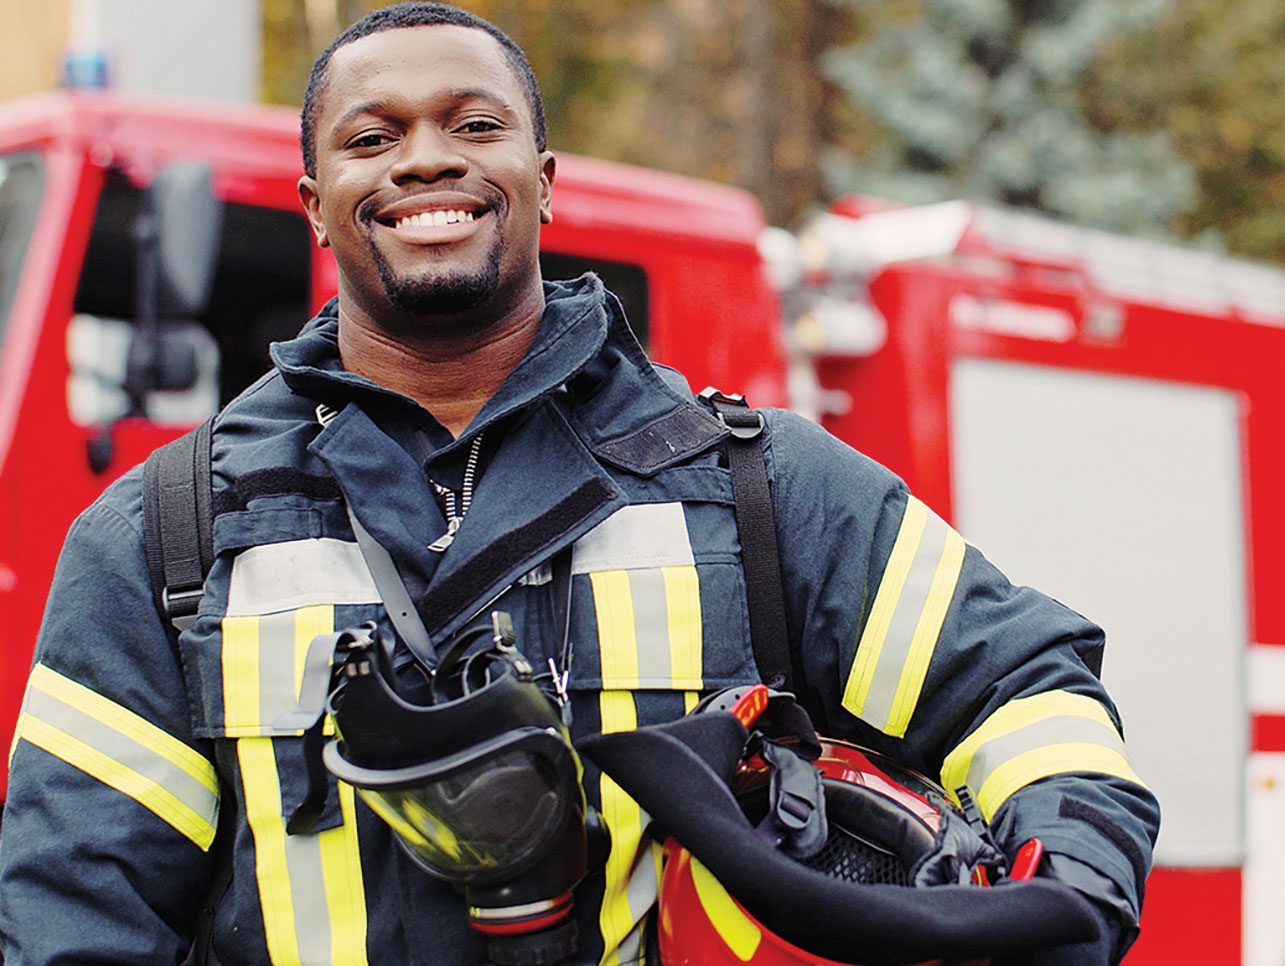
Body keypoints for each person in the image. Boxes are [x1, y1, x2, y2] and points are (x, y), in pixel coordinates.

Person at [0, 3, 1159, 964]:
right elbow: (72, 905)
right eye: (371, 137)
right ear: (314, 203)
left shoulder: (758, 491)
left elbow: (1020, 686)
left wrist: (1069, 876)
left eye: (473, 123)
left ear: (542, 181)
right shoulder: (166, 535)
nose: (425, 159)